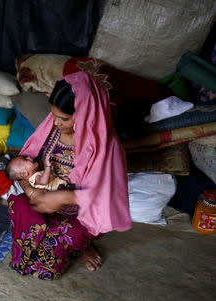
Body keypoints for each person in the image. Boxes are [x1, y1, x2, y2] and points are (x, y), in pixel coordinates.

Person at [8, 71, 131, 280]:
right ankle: (56, 242)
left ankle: (83, 246)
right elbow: (20, 167)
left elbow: (107, 198)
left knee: (61, 249)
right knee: (18, 205)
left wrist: (61, 198)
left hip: (78, 215)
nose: (55, 123)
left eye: (63, 118)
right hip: (44, 201)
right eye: (53, 115)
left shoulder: (106, 146)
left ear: (85, 114)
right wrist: (31, 192)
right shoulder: (51, 130)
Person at [5, 155, 71, 191]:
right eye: (26, 159)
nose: (29, 157)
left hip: (59, 184)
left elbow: (49, 177)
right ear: (24, 174)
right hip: (59, 191)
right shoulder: (34, 178)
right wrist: (48, 166)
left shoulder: (36, 174)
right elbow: (44, 181)